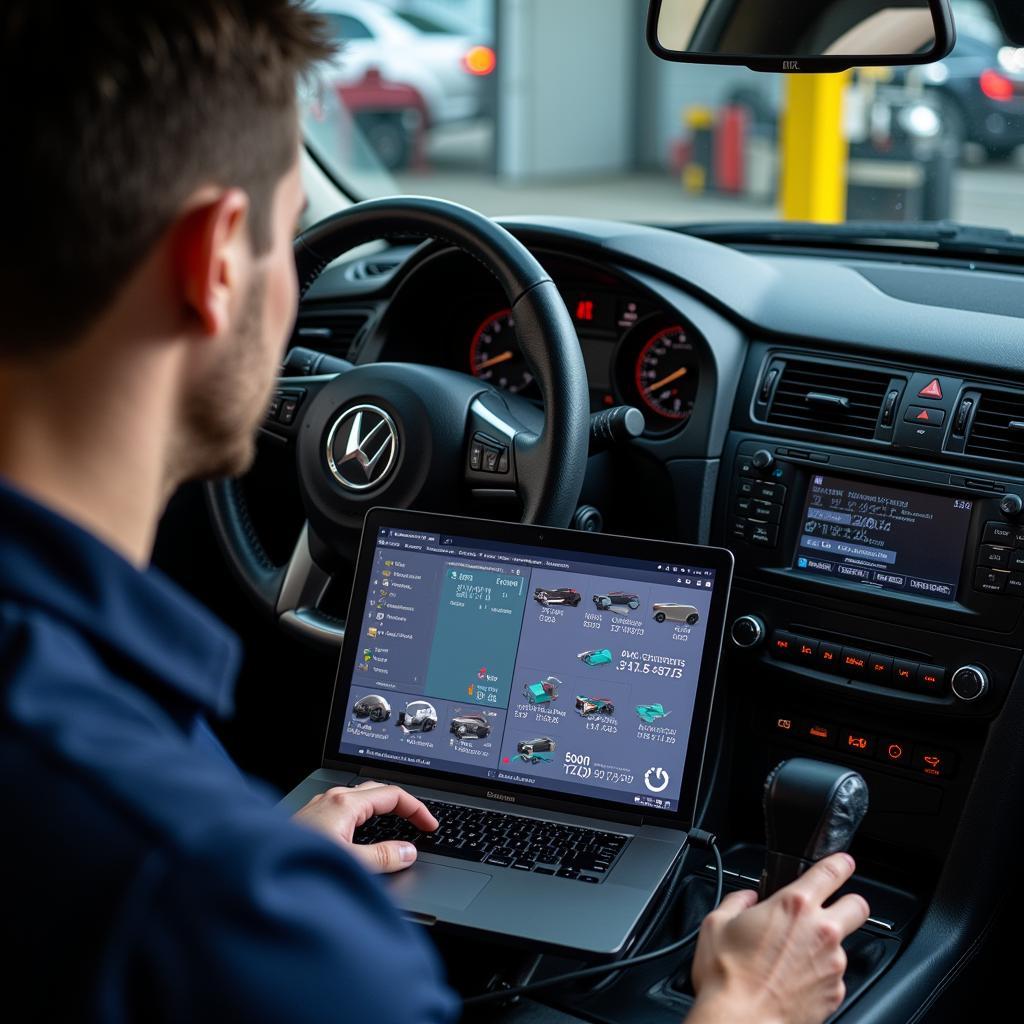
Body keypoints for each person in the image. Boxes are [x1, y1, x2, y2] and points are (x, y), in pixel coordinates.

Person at [0, 3, 869, 1022]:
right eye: (291, 240)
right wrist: (750, 1007)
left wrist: (273, 852)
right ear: (217, 261)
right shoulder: (225, 905)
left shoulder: (149, 791)